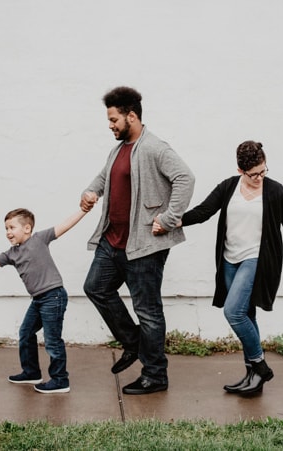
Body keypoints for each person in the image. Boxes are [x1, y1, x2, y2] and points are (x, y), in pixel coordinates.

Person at [154, 140, 283, 395]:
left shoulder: (275, 191)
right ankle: (253, 378)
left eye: (263, 171)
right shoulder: (229, 187)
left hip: (256, 259)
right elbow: (204, 211)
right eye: (254, 174)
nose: (260, 178)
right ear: (241, 170)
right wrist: (171, 222)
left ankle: (260, 366)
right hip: (229, 260)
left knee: (234, 313)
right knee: (247, 314)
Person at [80, 86, 195, 395]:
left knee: (148, 311)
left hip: (143, 246)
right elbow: (105, 177)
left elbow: (186, 178)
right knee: (95, 288)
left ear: (131, 116)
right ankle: (133, 343)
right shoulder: (118, 149)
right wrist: (91, 192)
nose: (110, 125)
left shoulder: (155, 147)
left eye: (114, 119)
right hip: (112, 241)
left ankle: (155, 375)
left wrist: (169, 218)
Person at [0, 207, 88, 393]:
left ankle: (60, 380)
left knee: (52, 340)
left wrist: (83, 210)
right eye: (6, 228)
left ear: (27, 228)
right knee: (26, 332)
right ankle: (31, 372)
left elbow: (65, 225)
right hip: (38, 299)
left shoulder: (39, 239)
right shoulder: (11, 254)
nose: (8, 232)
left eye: (12, 227)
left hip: (53, 296)